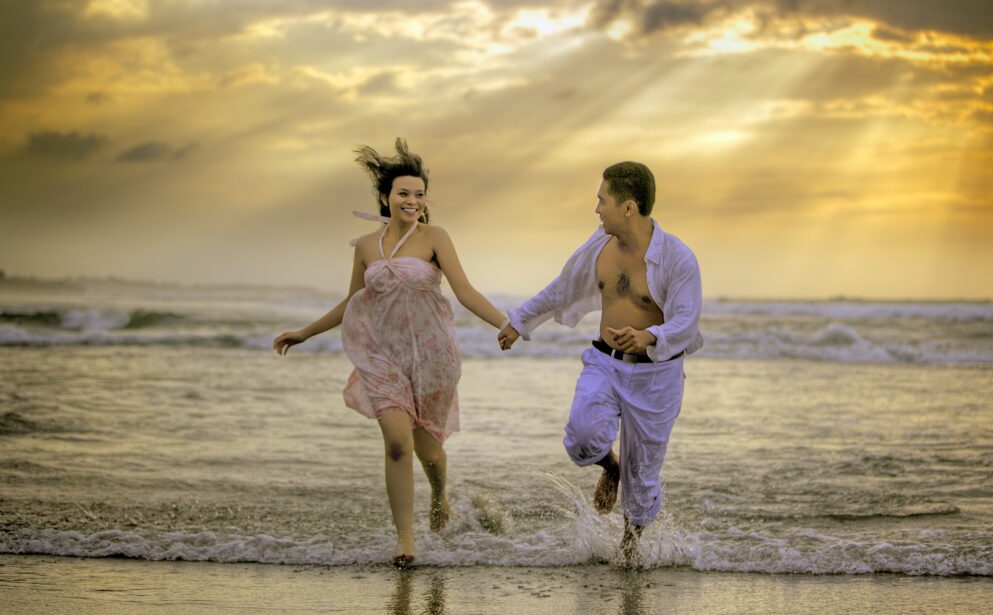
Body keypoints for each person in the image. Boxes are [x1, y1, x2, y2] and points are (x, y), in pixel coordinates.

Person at [274, 138, 508, 568]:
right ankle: (405, 540)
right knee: (398, 444)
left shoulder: (435, 236)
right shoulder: (365, 246)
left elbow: (465, 290)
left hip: (433, 358)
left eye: (419, 195)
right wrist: (305, 332)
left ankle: (440, 494)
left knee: (429, 450)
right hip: (383, 357)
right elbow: (352, 303)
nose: (413, 201)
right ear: (386, 197)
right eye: (404, 193)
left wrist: (506, 323)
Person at [497, 161, 703, 566]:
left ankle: (629, 547)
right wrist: (519, 321)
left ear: (628, 207)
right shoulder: (598, 247)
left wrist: (649, 336)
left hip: (657, 376)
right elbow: (563, 286)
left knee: (643, 477)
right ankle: (611, 467)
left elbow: (687, 320)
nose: (596, 209)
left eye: (601, 200)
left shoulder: (678, 258)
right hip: (605, 363)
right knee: (582, 436)